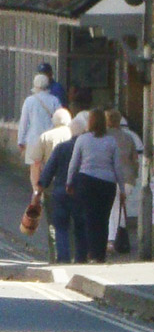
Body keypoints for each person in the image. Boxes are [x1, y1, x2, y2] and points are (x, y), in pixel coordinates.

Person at [66, 107, 125, 263]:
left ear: (90, 122)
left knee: (90, 218)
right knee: (103, 219)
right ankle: (100, 254)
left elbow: (74, 163)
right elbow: (117, 167)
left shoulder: (82, 140)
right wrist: (122, 189)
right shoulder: (111, 141)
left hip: (87, 182)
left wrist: (69, 181)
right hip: (107, 184)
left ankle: (92, 253)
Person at [38, 113, 85, 263]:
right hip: (80, 192)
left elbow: (48, 171)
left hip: (60, 191)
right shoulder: (86, 147)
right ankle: (80, 258)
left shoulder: (61, 148)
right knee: (80, 226)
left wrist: (39, 188)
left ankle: (63, 258)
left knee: (61, 227)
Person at [17, 73, 60, 191]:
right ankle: (47, 192)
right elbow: (60, 119)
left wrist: (21, 140)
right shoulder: (55, 100)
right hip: (51, 140)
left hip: (33, 140)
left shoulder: (29, 101)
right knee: (50, 168)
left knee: (35, 169)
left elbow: (24, 123)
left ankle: (37, 194)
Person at [106, 109, 142, 247]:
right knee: (119, 207)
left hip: (110, 178)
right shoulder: (128, 137)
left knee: (113, 208)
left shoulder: (104, 136)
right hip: (127, 180)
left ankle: (111, 239)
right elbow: (135, 160)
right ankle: (119, 237)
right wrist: (135, 176)